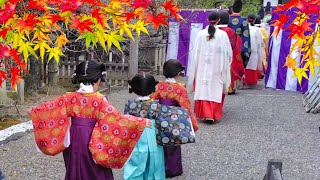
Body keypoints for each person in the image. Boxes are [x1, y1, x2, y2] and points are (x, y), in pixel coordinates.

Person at [28, 60, 152, 180]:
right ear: (98, 80)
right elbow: (116, 119)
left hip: (74, 137)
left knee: (74, 167)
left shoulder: (69, 97)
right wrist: (141, 122)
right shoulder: (100, 100)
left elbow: (50, 109)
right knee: (96, 170)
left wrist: (35, 112)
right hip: (94, 137)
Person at [150, 59, 199, 178]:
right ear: (178, 73)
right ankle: (172, 169)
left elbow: (151, 99)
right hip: (174, 119)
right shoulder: (180, 89)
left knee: (159, 142)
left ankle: (159, 167)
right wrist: (193, 124)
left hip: (160, 118)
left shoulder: (159, 86)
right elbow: (186, 107)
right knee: (173, 143)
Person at [188, 10, 232, 123]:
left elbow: (195, 52)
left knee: (203, 88)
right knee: (215, 88)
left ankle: (204, 113)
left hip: (202, 66)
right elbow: (228, 53)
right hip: (217, 67)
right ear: (219, 20)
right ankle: (212, 114)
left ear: (208, 20)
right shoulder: (223, 35)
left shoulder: (201, 34)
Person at [123, 73, 165, 180]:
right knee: (154, 161)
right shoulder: (156, 106)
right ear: (152, 89)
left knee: (136, 161)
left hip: (135, 137)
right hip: (153, 136)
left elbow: (125, 123)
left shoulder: (130, 105)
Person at [218, 10, 245, 95]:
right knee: (228, 70)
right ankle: (229, 88)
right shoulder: (229, 31)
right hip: (227, 54)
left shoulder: (210, 29)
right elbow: (233, 45)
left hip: (215, 54)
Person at [228, 0, 251, 68]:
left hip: (228, 46)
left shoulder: (227, 20)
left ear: (232, 9)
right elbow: (246, 38)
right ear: (241, 9)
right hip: (239, 48)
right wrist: (245, 52)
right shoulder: (244, 21)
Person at [244, 14, 265, 87]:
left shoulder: (244, 28)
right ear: (255, 20)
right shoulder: (256, 29)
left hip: (244, 51)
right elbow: (260, 43)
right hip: (254, 51)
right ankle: (251, 82)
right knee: (252, 64)